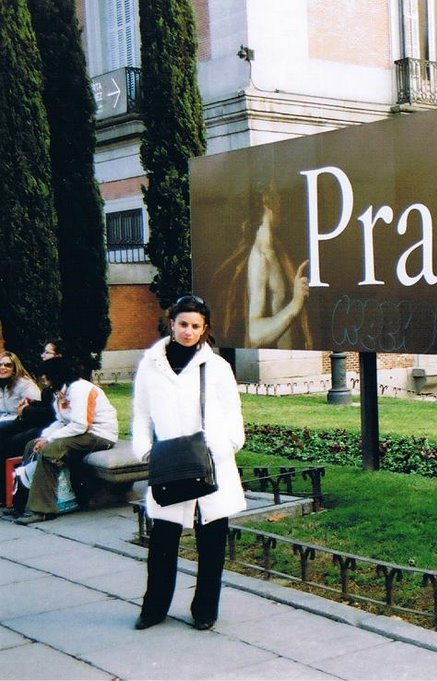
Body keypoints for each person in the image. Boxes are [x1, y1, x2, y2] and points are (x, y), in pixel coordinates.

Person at [132, 294, 246, 631]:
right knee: (163, 542)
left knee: (211, 543)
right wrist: (145, 451)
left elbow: (232, 414)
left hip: (211, 463)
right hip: (169, 463)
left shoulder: (218, 367)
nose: (188, 331)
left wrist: (223, 447)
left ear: (204, 329)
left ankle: (205, 610)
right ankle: (154, 609)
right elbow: (140, 413)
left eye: (196, 326)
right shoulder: (151, 364)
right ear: (171, 323)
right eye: (183, 324)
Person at [15, 356, 117, 524]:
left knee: (49, 451)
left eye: (45, 377)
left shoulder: (80, 389)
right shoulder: (62, 390)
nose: (44, 381)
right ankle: (25, 502)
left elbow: (80, 425)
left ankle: (43, 510)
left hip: (99, 435)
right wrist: (45, 436)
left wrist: (49, 441)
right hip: (81, 433)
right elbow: (61, 421)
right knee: (31, 445)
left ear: (55, 375)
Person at [212, 184, 312, 349]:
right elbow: (255, 335)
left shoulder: (276, 249)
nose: (282, 203)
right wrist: (295, 305)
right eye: (278, 195)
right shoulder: (260, 256)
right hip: (275, 365)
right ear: (268, 200)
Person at [0, 351, 41, 461]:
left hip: (21, 422)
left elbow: (35, 407)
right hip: (4, 420)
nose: (2, 367)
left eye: (7, 365)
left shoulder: (25, 384)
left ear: (14, 368)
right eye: (0, 364)